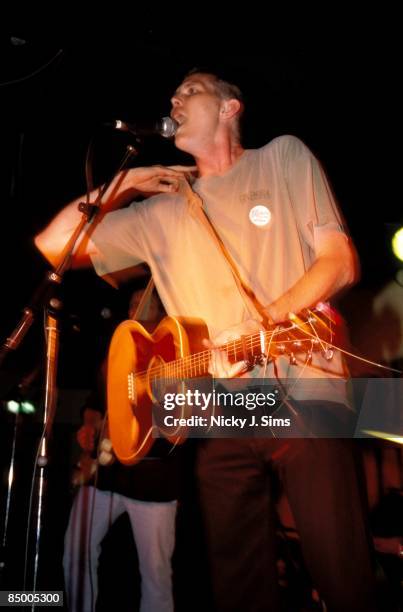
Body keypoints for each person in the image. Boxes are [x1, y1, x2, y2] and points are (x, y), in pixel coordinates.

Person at [36, 68, 378, 611]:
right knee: (237, 584)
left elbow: (340, 262)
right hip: (222, 409)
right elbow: (53, 244)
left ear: (229, 108)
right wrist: (127, 184)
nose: (175, 98)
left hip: (305, 387)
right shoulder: (159, 211)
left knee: (344, 575)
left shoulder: (282, 158)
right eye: (174, 93)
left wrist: (266, 319)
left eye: (191, 91)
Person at [63, 288, 180, 612]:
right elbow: (94, 404)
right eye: (131, 301)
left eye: (146, 301)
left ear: (161, 312)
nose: (136, 307)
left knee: (155, 576)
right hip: (104, 473)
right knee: (76, 552)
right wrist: (89, 428)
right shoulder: (113, 355)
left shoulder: (173, 351)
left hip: (153, 479)